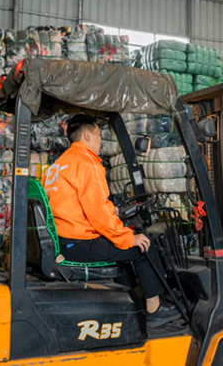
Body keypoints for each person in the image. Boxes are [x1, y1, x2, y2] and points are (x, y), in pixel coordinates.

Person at [42, 114, 179, 329]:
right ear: (87, 135)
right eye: (98, 135)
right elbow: (97, 214)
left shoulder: (57, 166)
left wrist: (113, 210)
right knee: (143, 246)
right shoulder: (87, 164)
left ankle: (129, 302)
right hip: (79, 242)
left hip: (63, 240)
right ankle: (154, 309)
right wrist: (128, 237)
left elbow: (78, 205)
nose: (100, 141)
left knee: (123, 247)